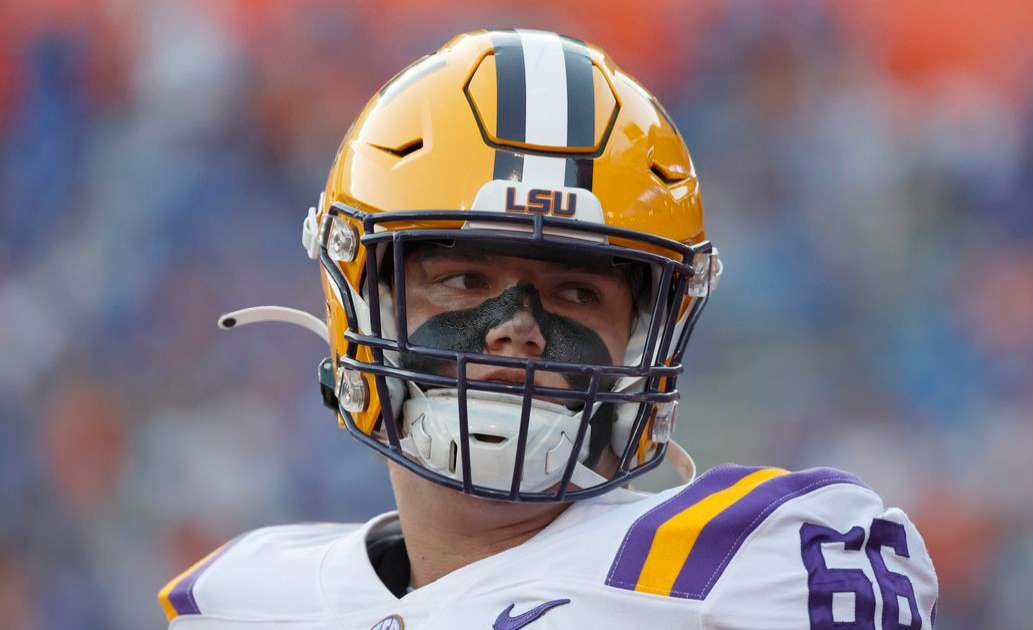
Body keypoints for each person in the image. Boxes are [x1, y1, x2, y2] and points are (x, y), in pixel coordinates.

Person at [158, 29, 938, 629]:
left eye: (575, 293)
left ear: (643, 335)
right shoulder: (242, 602)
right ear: (366, 299)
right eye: (465, 281)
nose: (517, 331)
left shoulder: (743, 568)